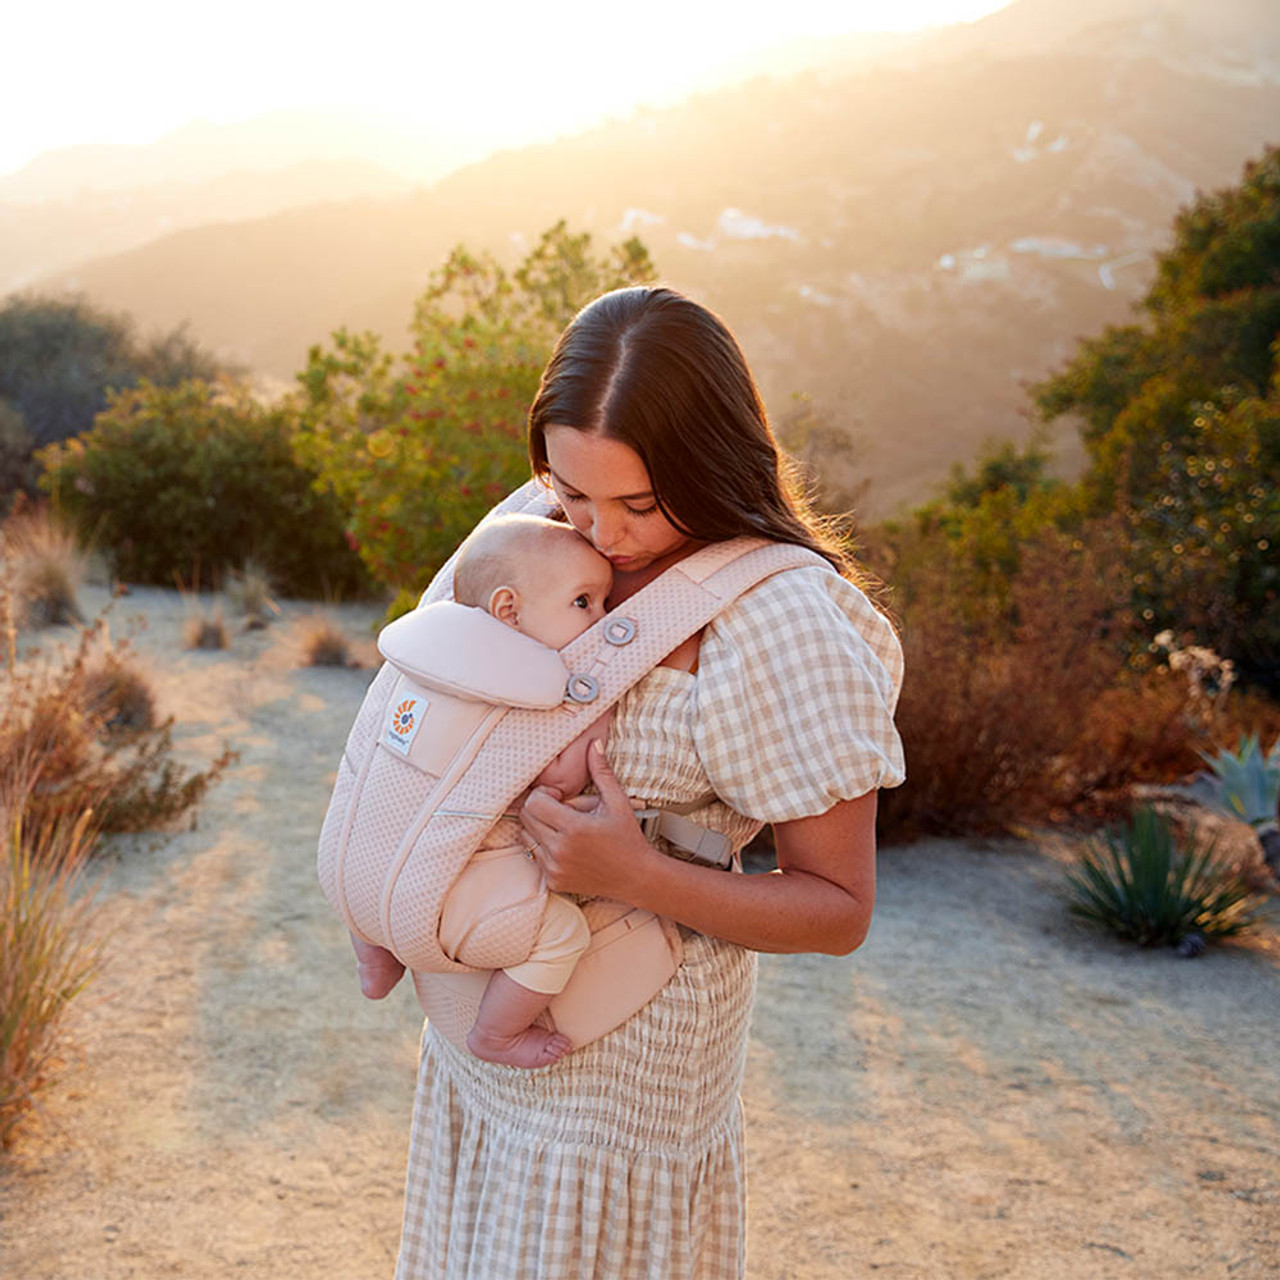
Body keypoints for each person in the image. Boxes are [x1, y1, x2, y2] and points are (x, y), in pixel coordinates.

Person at [394, 285, 905, 1280]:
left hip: (622, 1075)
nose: (603, 533)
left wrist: (631, 873)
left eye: (636, 501)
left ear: (713, 462)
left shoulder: (781, 615)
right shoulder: (535, 525)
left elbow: (838, 910)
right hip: (483, 1031)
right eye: (572, 489)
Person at [348, 512, 614, 1068]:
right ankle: (496, 1034)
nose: (604, 617)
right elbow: (560, 780)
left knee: (370, 851)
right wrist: (595, 721)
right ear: (508, 611)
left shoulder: (422, 655)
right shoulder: (529, 687)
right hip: (441, 898)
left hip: (349, 871)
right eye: (585, 602)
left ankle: (375, 959)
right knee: (562, 933)